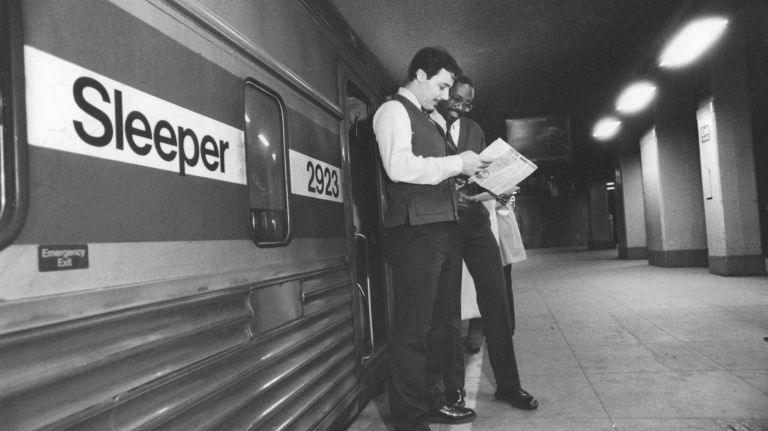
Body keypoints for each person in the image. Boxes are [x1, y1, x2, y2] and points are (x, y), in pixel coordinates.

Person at [372, 47, 490, 431]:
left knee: (438, 326)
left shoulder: (428, 118)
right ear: (420, 74)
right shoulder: (393, 111)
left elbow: (433, 171)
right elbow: (398, 165)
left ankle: (431, 400)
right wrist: (457, 163)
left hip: (440, 229)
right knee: (412, 330)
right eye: (440, 85)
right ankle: (409, 420)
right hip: (415, 233)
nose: (443, 95)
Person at [428, 75, 538, 412]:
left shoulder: (474, 129)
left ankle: (509, 385)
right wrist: (450, 195)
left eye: (468, 103)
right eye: (457, 100)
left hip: (476, 224)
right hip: (445, 225)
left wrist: (498, 187)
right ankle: (453, 392)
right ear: (444, 94)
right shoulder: (423, 124)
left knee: (497, 303)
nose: (460, 107)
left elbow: (483, 174)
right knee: (448, 312)